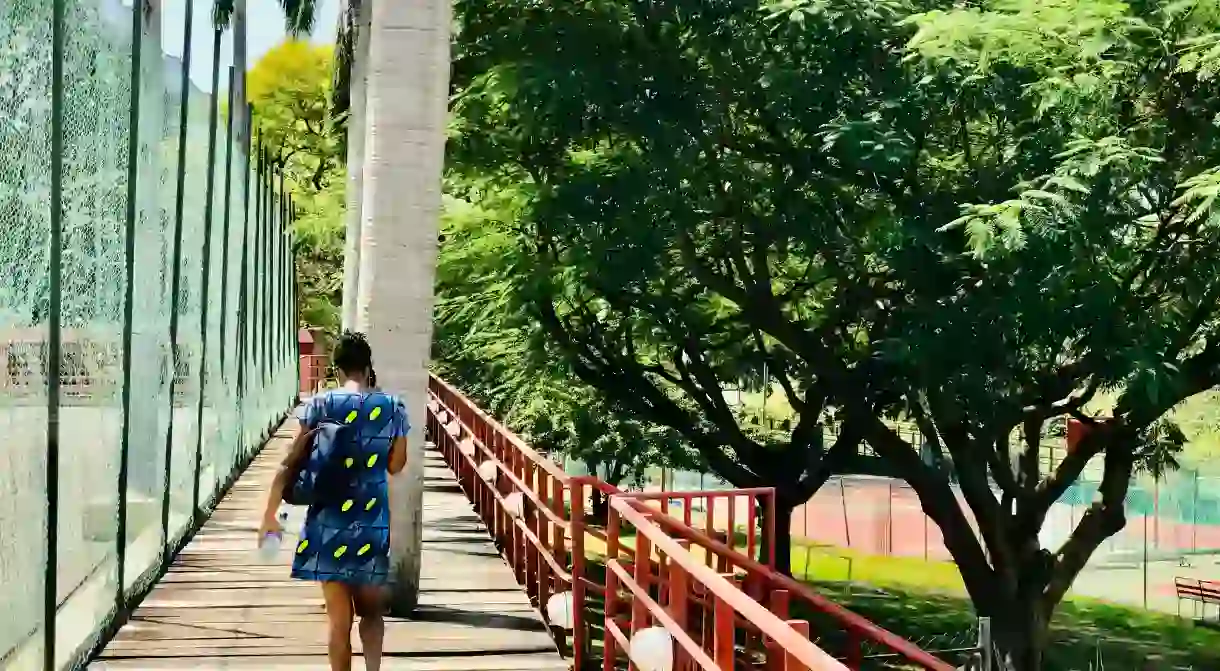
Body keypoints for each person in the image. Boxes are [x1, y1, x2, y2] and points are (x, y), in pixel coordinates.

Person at [259, 331, 409, 671]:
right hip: (371, 523)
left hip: (329, 524)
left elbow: (292, 459)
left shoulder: (320, 405)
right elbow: (396, 466)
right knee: (371, 614)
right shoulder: (393, 407)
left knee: (338, 623)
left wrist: (270, 515)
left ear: (337, 368)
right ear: (368, 366)